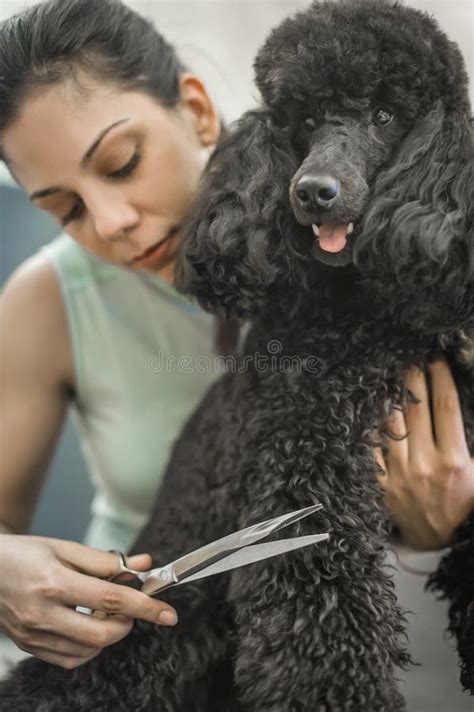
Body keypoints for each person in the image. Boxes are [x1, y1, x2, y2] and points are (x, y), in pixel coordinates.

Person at [0, 0, 472, 682]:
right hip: (134, 646)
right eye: (63, 209)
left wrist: (438, 535)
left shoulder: (410, 270)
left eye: (122, 163)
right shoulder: (45, 298)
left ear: (194, 108)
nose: (110, 224)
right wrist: (6, 574)